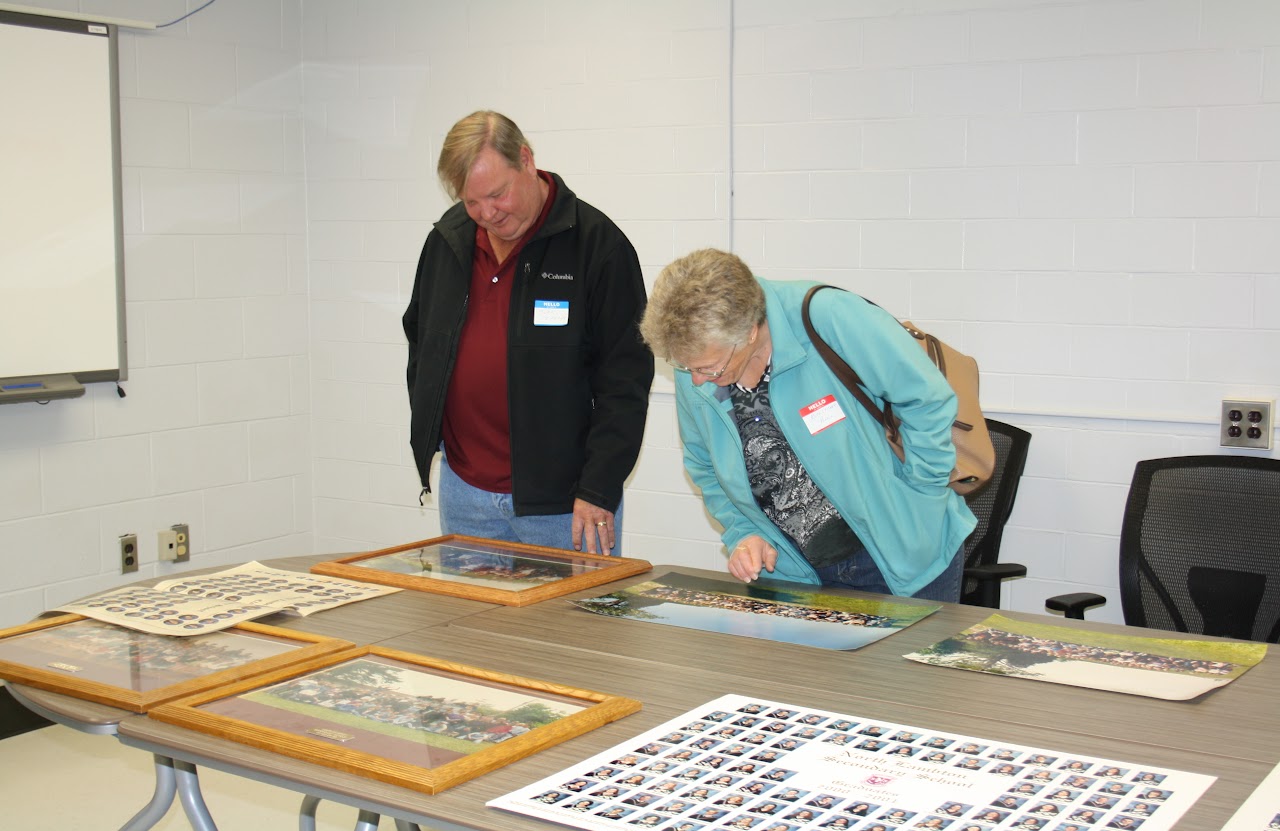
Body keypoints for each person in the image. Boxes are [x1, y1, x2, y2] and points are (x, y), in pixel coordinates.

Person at [638, 249, 975, 599]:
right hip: (792, 572)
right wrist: (743, 532)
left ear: (751, 331)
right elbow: (703, 463)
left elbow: (928, 400)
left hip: (901, 556)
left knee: (902, 655)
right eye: (684, 365)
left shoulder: (829, 317)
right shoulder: (696, 358)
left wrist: (922, 499)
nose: (696, 380)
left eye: (710, 368)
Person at [403, 111, 653, 554]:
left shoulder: (597, 248)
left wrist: (597, 488)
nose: (486, 214)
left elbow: (625, 383)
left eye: (496, 195)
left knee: (577, 625)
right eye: (471, 202)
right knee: (472, 623)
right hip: (465, 493)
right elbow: (422, 342)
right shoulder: (447, 240)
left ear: (526, 159)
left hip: (565, 505)